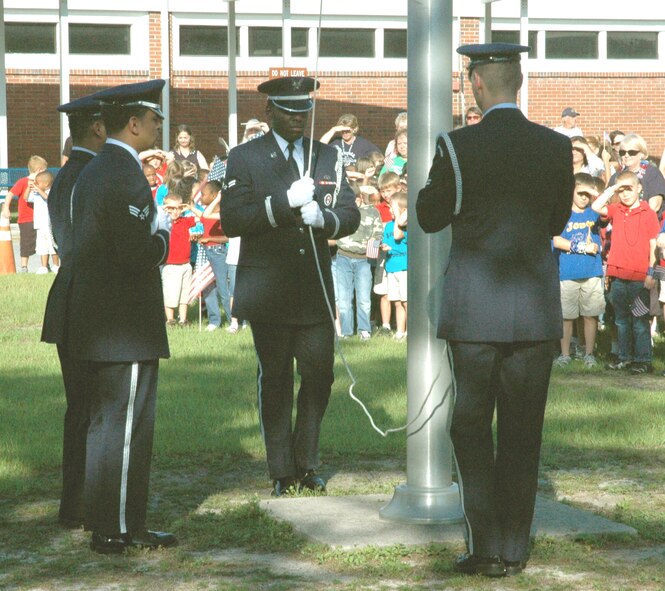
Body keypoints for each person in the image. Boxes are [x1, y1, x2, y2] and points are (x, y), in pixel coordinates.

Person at [416, 43, 573, 578]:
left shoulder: (458, 145)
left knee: (470, 426)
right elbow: (556, 220)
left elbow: (430, 216)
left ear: (477, 85)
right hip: (532, 310)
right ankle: (513, 546)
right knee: (523, 432)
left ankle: (484, 543)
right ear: (519, 82)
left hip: (475, 310)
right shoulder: (555, 146)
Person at [220, 75, 360, 496]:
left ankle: (307, 460)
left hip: (314, 287)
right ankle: (282, 470)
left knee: (320, 375)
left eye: (305, 111)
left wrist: (326, 220)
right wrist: (283, 205)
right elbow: (233, 220)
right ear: (269, 112)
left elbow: (349, 213)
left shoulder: (327, 155)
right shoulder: (245, 158)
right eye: (288, 111)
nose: (299, 119)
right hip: (268, 289)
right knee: (276, 378)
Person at [60, 79, 176, 553]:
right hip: (123, 323)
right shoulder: (123, 173)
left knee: (105, 424)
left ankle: (102, 518)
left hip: (98, 318)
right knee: (125, 428)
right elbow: (135, 254)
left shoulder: (92, 168)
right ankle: (122, 526)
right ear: (133, 123)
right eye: (154, 120)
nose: (158, 128)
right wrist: (164, 233)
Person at [41, 93, 107, 530]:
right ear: (99, 129)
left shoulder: (64, 175)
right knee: (95, 410)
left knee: (79, 408)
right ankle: (89, 503)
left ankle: (76, 503)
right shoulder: (94, 174)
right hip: (92, 300)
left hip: (69, 298)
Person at [592, 171, 660, 374]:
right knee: (621, 320)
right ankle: (625, 357)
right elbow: (596, 206)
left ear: (640, 189)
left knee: (639, 321)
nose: (625, 194)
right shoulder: (617, 210)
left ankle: (643, 360)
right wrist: (613, 188)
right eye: (621, 191)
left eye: (629, 189)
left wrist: (651, 273)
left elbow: (653, 245)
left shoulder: (648, 213)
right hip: (618, 277)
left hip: (640, 277)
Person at [552, 173, 605, 368]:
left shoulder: (595, 213)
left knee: (590, 316)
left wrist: (595, 192)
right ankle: (565, 354)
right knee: (567, 316)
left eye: (587, 194)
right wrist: (582, 247)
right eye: (580, 192)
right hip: (567, 272)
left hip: (591, 272)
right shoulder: (563, 214)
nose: (584, 197)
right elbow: (557, 241)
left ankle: (589, 353)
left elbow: (606, 206)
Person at [335, 181, 384, 340]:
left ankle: (364, 330)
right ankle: (346, 332)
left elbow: (378, 234)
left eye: (355, 198)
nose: (353, 201)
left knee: (363, 298)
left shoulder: (372, 212)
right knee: (344, 298)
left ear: (361, 197)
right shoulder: (342, 211)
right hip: (343, 256)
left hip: (364, 260)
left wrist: (373, 246)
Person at [0, 155, 48, 272]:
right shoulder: (23, 182)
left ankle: (45, 265)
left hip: (40, 218)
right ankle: (24, 266)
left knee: (43, 241)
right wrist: (6, 207)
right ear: (39, 170)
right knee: (26, 242)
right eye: (44, 171)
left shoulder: (41, 183)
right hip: (26, 218)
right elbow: (11, 194)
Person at [161, 193, 201, 326]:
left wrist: (189, 207)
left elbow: (202, 217)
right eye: (171, 208)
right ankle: (170, 319)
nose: (174, 211)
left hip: (186, 264)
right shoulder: (164, 222)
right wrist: (165, 208)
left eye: (177, 208)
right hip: (171, 265)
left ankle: (183, 319)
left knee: (184, 295)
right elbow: (154, 216)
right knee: (171, 294)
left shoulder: (184, 221)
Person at [198, 179, 233, 331]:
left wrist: (210, 238)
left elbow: (229, 237)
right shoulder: (207, 211)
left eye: (204, 194)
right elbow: (204, 217)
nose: (200, 197)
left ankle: (233, 319)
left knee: (223, 288)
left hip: (218, 252)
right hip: (206, 251)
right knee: (207, 287)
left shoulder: (224, 213)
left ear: (214, 195)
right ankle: (214, 320)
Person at [609, 133, 665, 215]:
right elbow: (610, 205)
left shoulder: (652, 173)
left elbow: (654, 206)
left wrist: (635, 220)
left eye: (631, 152)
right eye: (622, 152)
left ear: (641, 154)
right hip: (622, 223)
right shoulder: (616, 177)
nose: (626, 155)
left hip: (646, 223)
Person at [381, 190, 408, 341]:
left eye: (392, 207)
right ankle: (400, 331)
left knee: (406, 302)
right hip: (391, 268)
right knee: (397, 302)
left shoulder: (405, 226)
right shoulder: (388, 226)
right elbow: (389, 240)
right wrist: (384, 246)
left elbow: (401, 239)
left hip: (404, 268)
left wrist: (400, 218)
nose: (390, 210)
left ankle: (410, 332)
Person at [30, 170, 59, 274]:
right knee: (42, 246)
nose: (36, 185)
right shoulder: (36, 192)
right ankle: (44, 266)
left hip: (49, 225)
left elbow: (47, 198)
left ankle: (56, 265)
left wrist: (38, 189)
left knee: (52, 246)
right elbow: (27, 199)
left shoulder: (50, 191)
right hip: (39, 224)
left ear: (46, 184)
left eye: (38, 183)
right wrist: (30, 187)